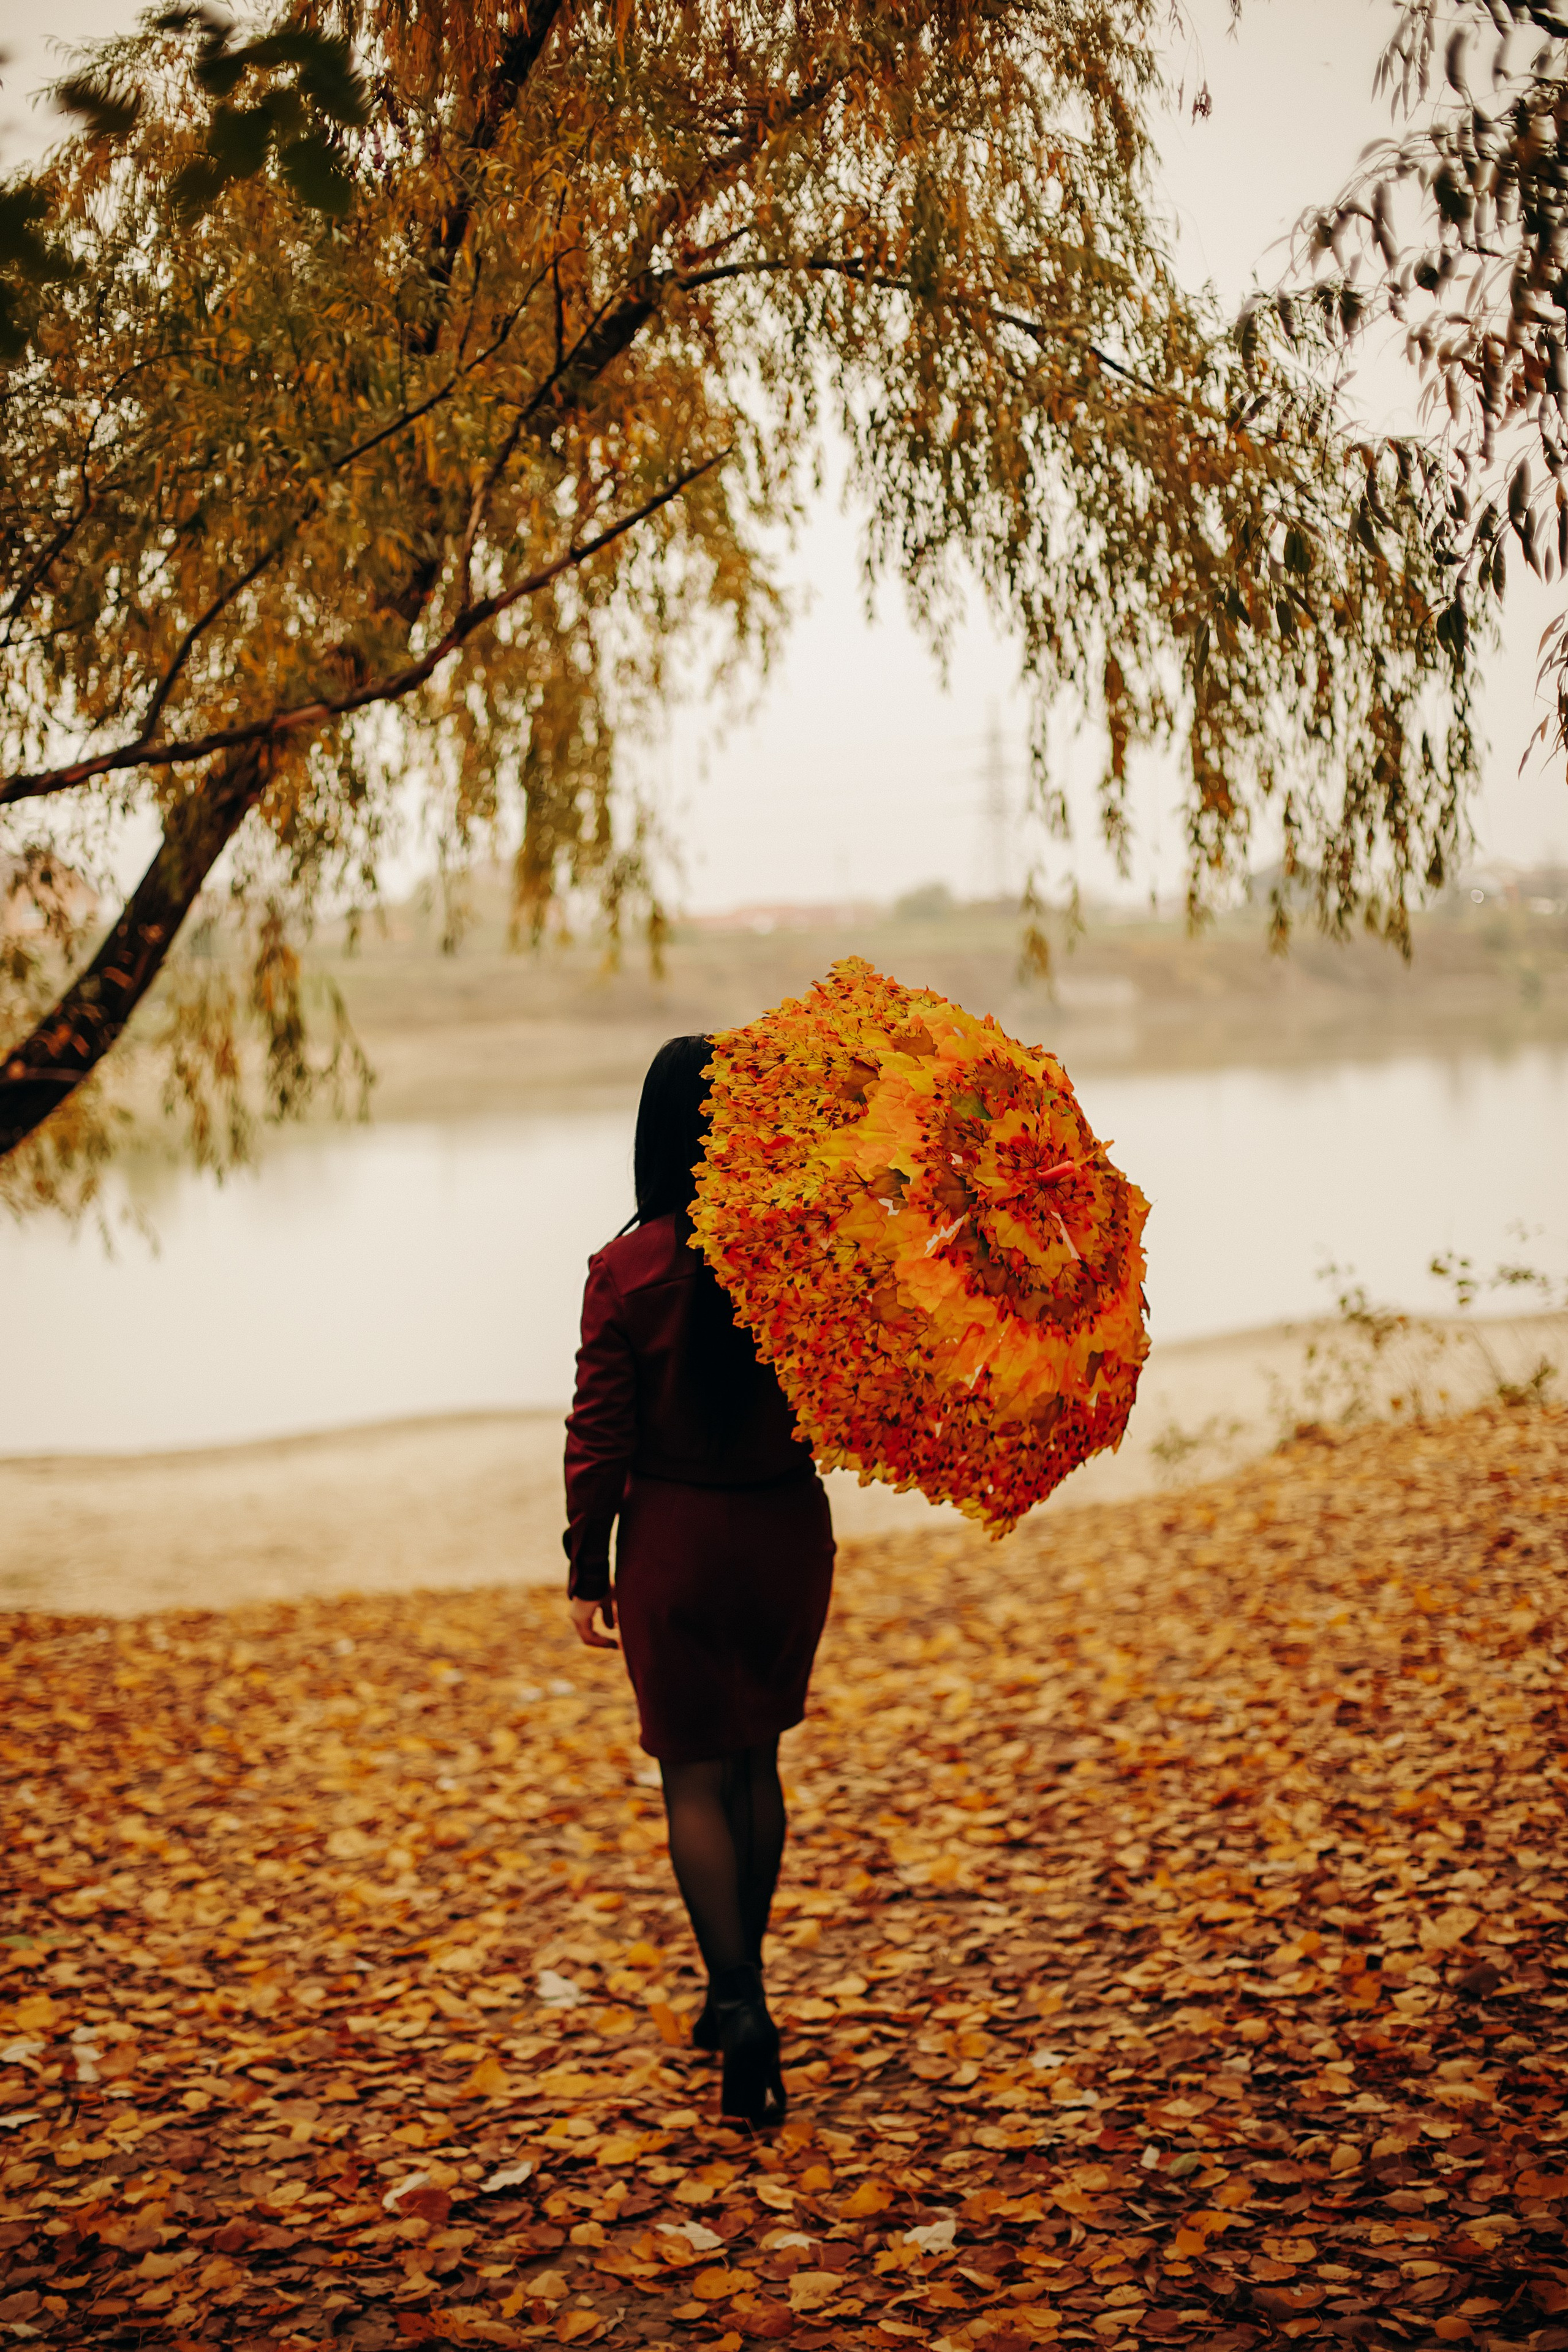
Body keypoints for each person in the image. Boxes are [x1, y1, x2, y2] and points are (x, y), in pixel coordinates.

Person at [562, 1036, 835, 2125]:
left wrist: (589, 1562)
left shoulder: (622, 1273)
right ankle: (746, 1992)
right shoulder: (806, 1258)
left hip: (674, 1539)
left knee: (691, 1778)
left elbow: (599, 1434)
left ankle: (736, 1997)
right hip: (782, 1533)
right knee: (756, 1763)